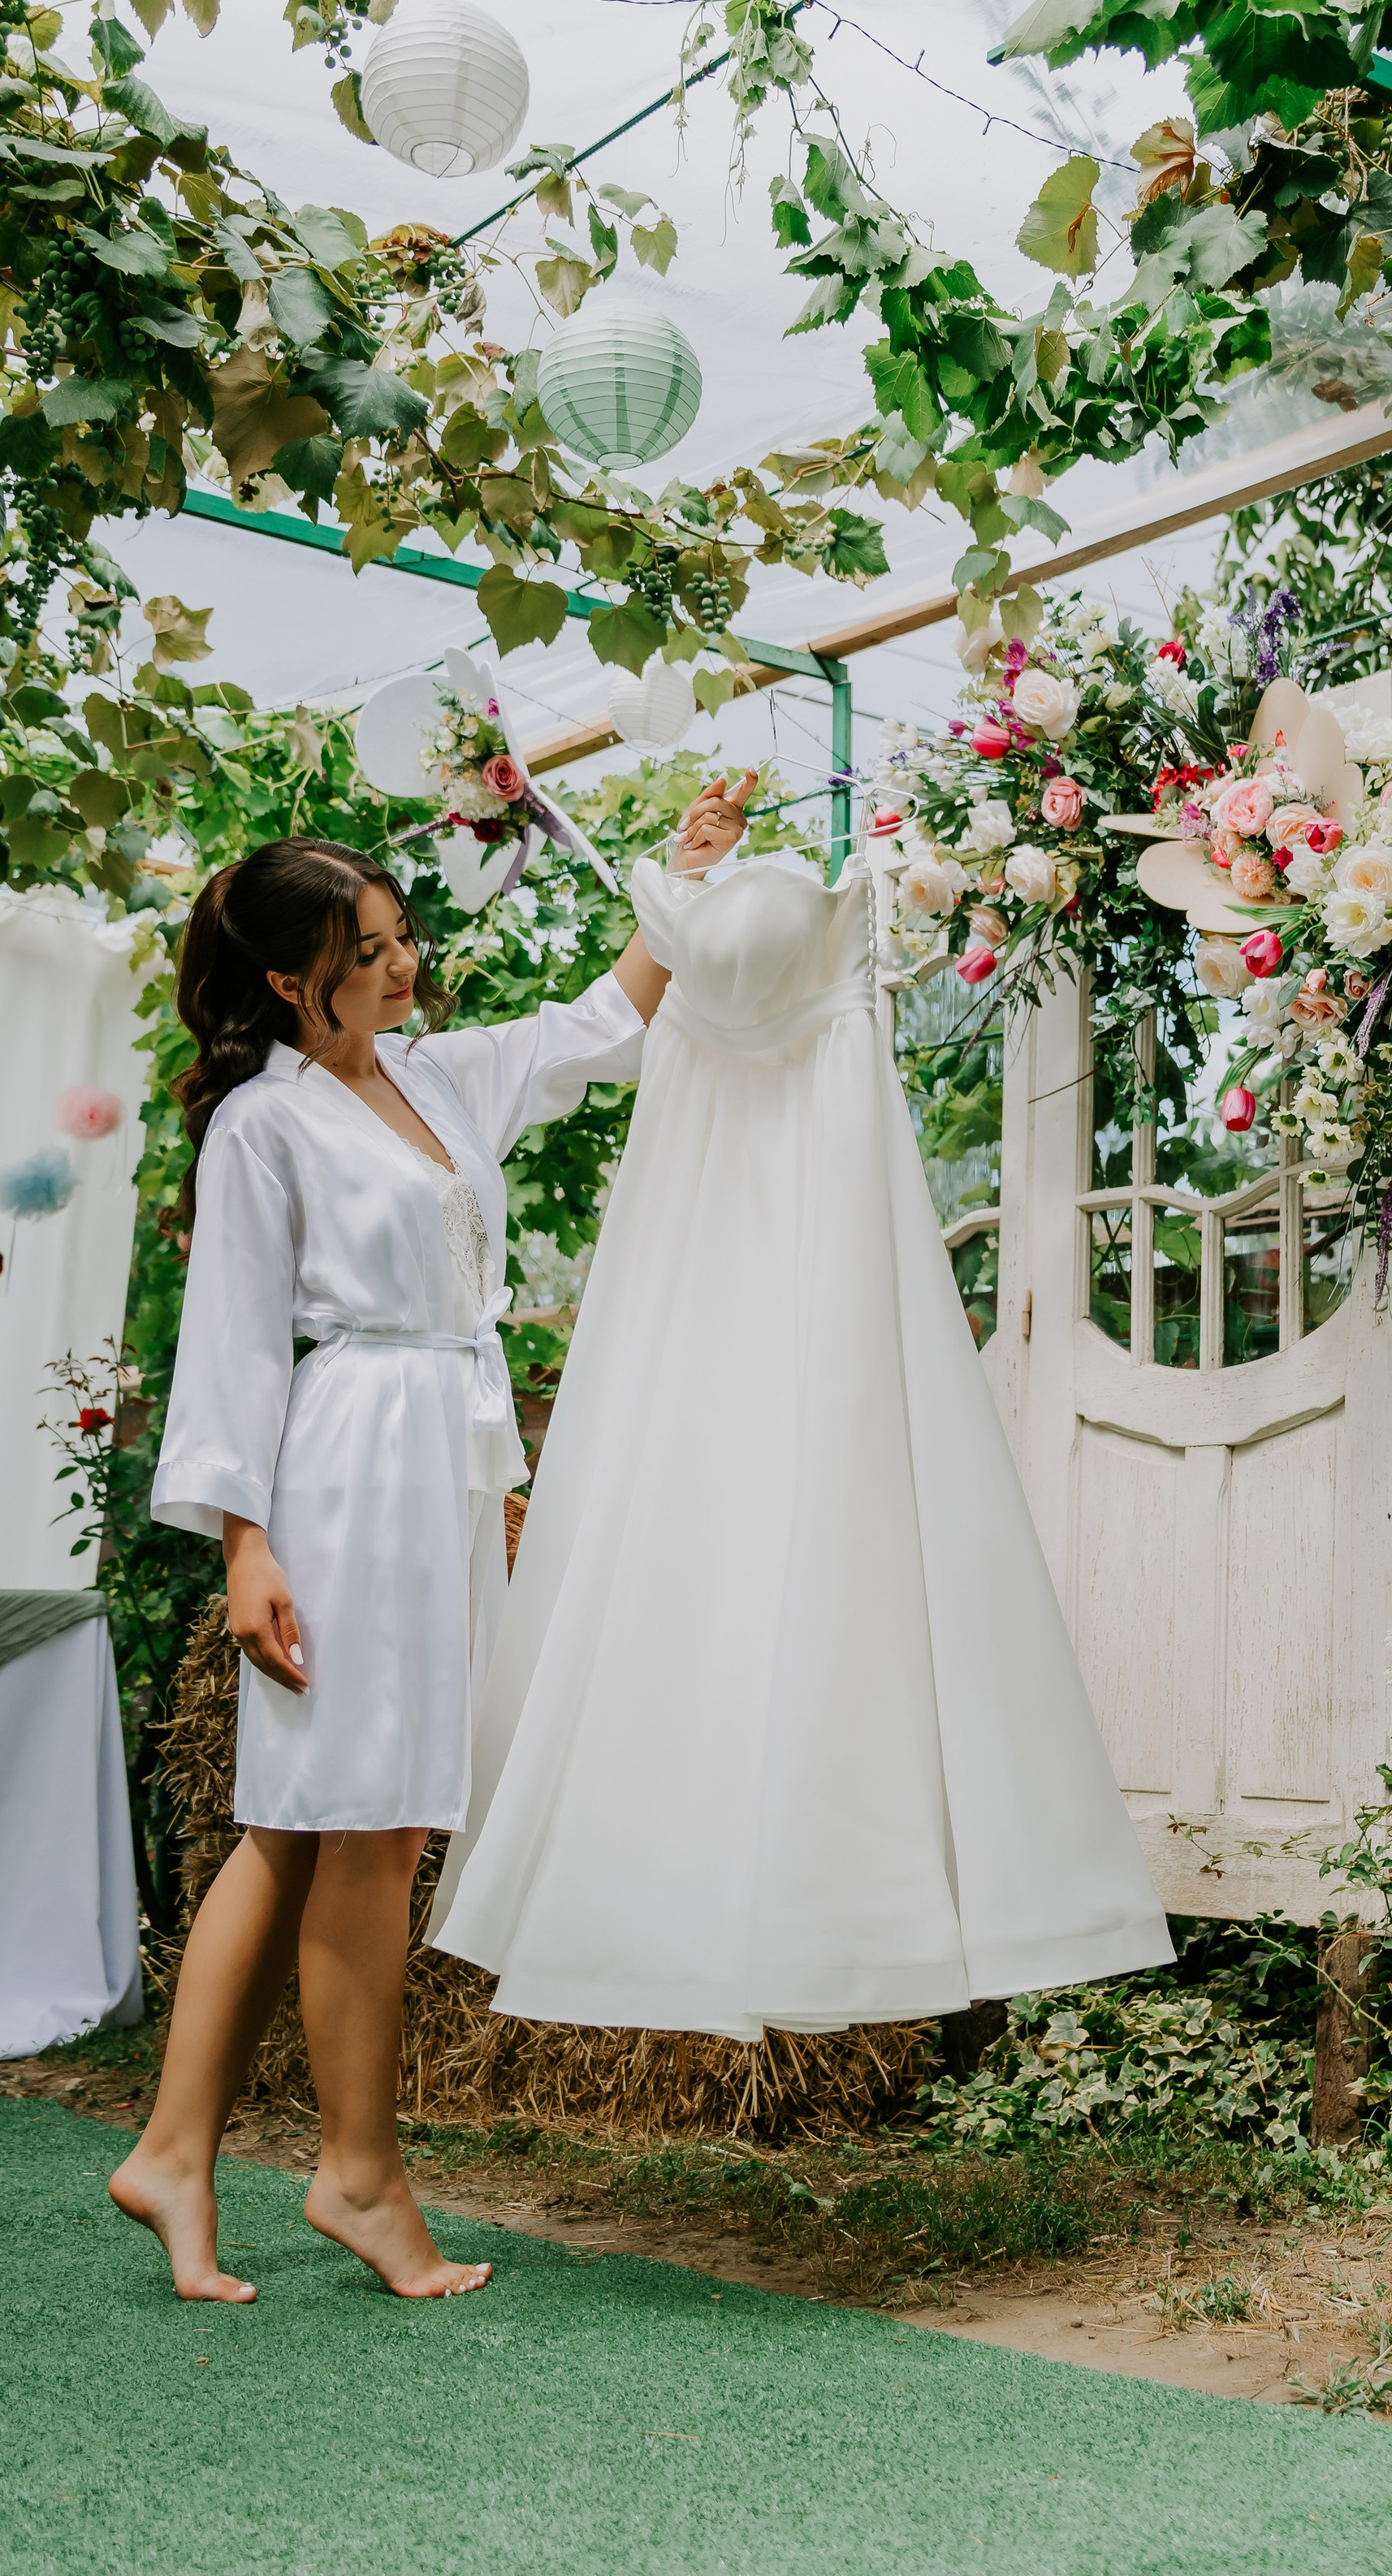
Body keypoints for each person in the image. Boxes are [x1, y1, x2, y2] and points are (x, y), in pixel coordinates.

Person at [110, 782, 752, 2304]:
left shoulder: (442, 1081)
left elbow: (603, 1023)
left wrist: (686, 874)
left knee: (306, 1825)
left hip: (437, 1467)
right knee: (364, 1826)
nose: (407, 969)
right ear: (289, 979)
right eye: (372, 950)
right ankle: (360, 2177)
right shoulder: (268, 1126)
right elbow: (236, 1344)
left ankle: (175, 2154)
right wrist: (243, 1546)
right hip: (339, 1474)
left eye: (406, 939)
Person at [428, 836, 1174, 2034]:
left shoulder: (655, 955)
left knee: (684, 1530)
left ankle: (669, 1897)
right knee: (849, 1515)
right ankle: (879, 1904)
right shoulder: (831, 937)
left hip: (695, 1262)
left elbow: (609, 1016)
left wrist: (676, 880)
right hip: (823, 1237)